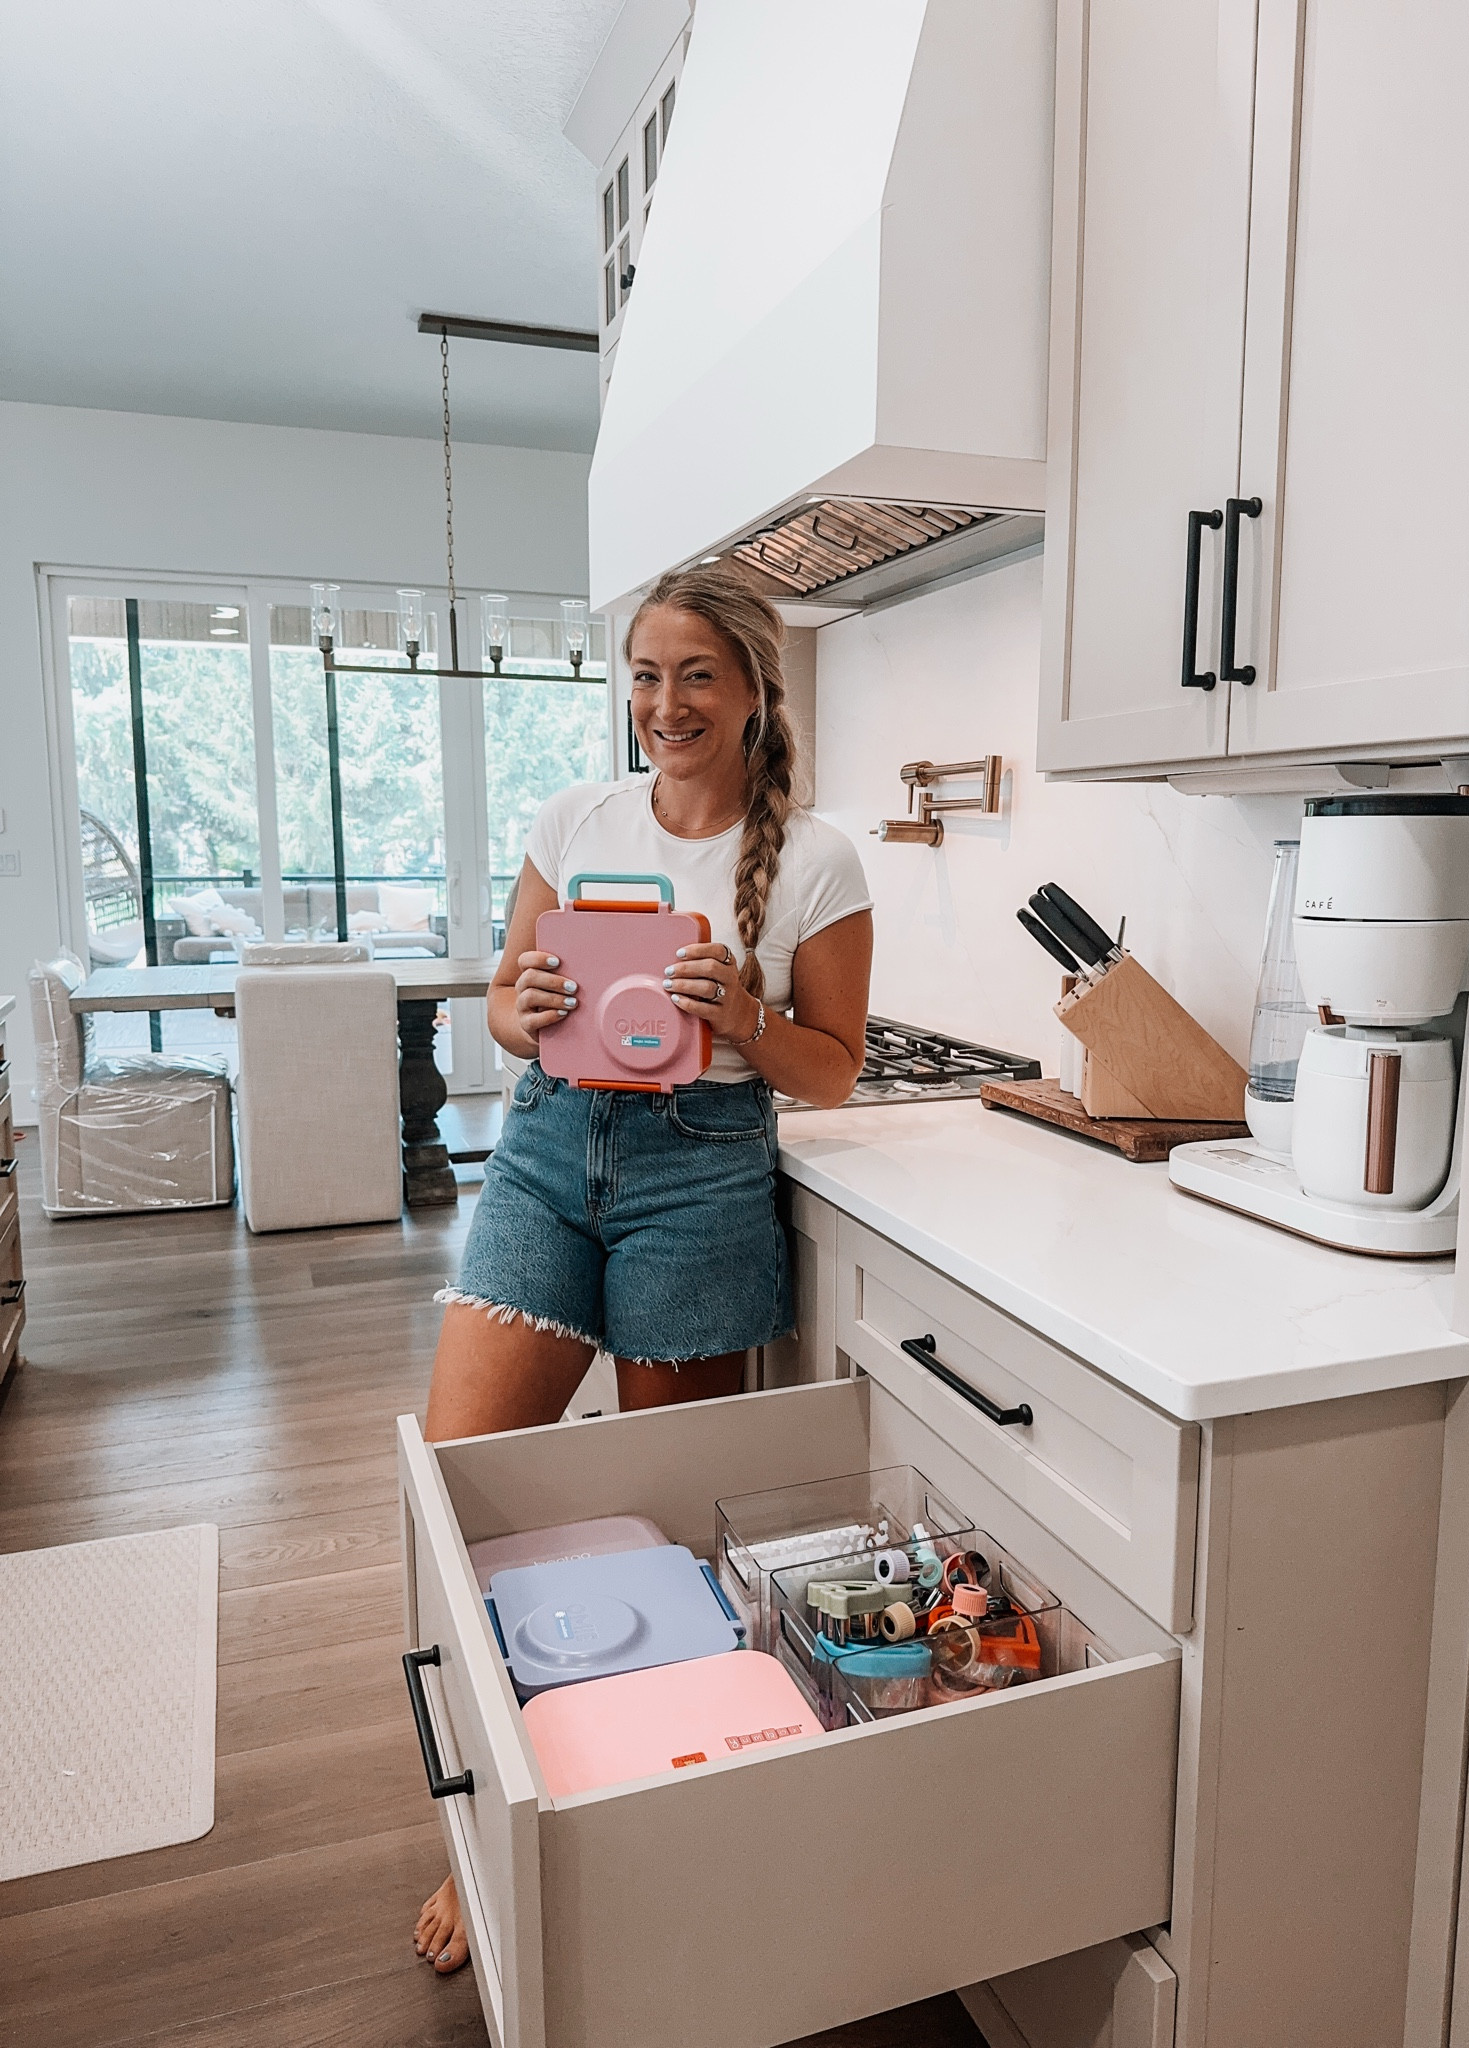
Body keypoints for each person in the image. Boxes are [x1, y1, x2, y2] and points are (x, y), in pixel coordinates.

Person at [414, 563, 874, 1973]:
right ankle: (477, 1825)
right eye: (645, 677)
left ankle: (648, 1813)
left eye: (695, 678)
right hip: (551, 1156)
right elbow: (501, 1005)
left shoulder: (819, 858)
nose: (664, 705)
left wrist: (742, 1009)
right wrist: (525, 1002)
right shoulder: (576, 818)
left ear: (751, 694)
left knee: (670, 1531)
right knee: (457, 1496)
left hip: (702, 1172)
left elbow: (836, 1069)